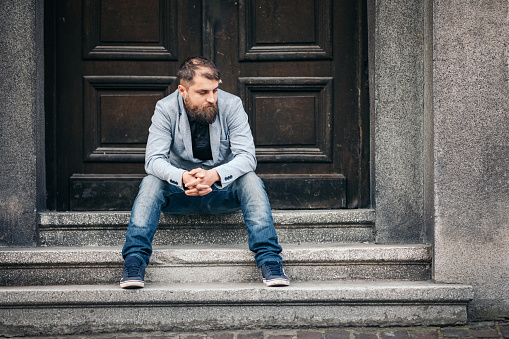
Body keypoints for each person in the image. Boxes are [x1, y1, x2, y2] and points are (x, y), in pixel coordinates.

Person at [120, 56, 289, 289]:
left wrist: (215, 175)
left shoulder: (232, 105)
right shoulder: (165, 108)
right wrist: (182, 177)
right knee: (151, 181)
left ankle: (270, 260)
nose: (212, 99)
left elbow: (247, 157)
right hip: (182, 193)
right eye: (203, 92)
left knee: (250, 180)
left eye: (215, 90)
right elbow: (153, 160)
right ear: (182, 90)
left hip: (222, 192)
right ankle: (134, 261)